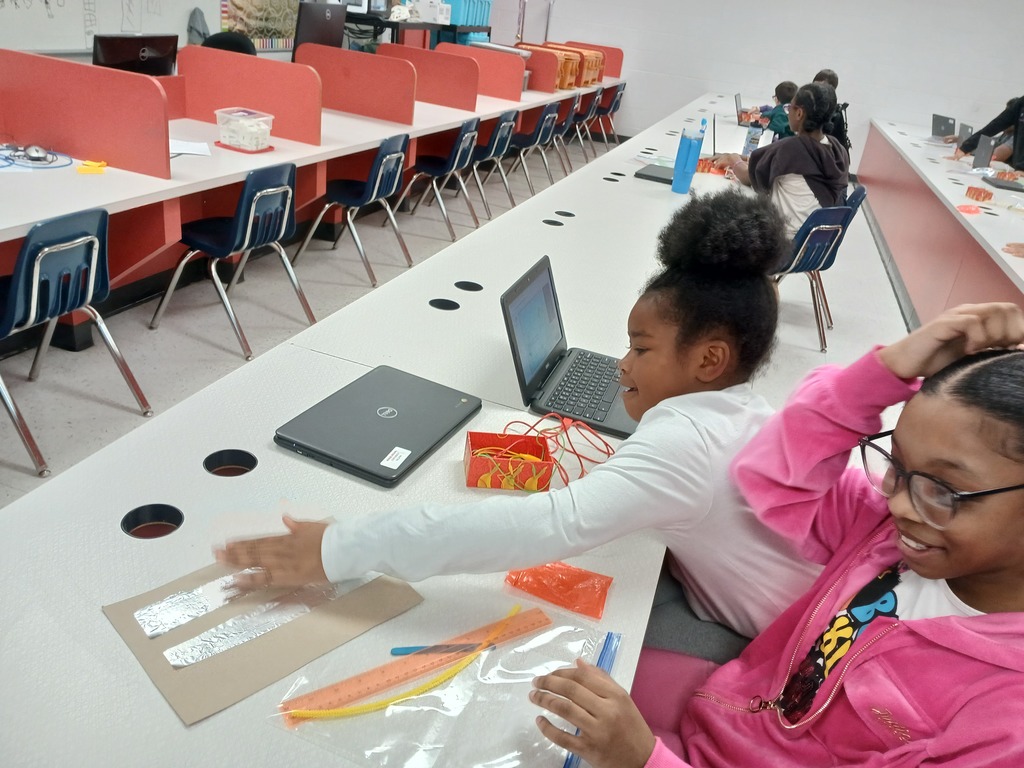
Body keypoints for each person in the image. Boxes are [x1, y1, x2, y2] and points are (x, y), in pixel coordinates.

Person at [215, 189, 822, 643]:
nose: (622, 365)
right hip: (805, 602)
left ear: (710, 360)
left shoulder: (685, 445)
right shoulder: (742, 413)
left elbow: (532, 530)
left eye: (641, 348)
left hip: (781, 643)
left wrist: (341, 547)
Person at [530, 302, 1024, 768]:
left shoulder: (1003, 721)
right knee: (528, 665)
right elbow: (776, 470)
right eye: (896, 465)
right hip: (720, 712)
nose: (898, 503)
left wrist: (644, 759)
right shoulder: (885, 537)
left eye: (943, 489)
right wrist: (889, 369)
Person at [713, 82, 850, 238]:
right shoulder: (837, 149)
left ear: (799, 113)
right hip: (813, 242)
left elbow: (747, 178)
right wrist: (742, 157)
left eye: (790, 107)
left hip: (781, 243)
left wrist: (733, 159)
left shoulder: (791, 149)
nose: (788, 111)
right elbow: (782, 162)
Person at [950, 96, 1024, 170]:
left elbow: (998, 153)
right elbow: (996, 124)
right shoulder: (1020, 103)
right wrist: (966, 147)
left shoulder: (1013, 136)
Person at [812, 68, 851, 150]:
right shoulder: (807, 104)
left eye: (822, 87)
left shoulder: (836, 115)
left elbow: (839, 146)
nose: (817, 90)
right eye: (815, 86)